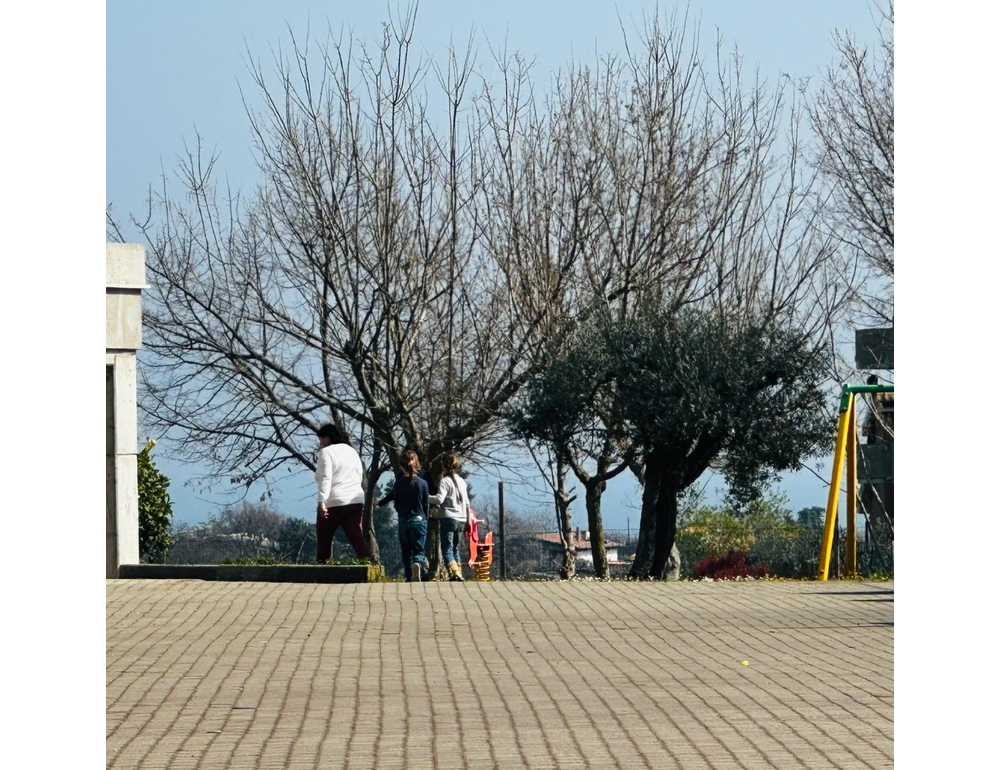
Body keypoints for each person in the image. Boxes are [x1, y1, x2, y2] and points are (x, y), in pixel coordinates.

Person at [314, 423, 372, 563]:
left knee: (324, 535)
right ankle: (368, 561)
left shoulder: (326, 452)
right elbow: (359, 474)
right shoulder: (351, 451)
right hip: (355, 500)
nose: (320, 443)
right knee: (356, 536)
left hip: (334, 501)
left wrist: (322, 501)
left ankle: (323, 564)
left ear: (327, 438)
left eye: (321, 439)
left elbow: (326, 478)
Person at [429, 451, 473, 582]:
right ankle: (458, 572)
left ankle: (455, 572)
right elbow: (467, 502)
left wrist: (425, 497)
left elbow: (439, 499)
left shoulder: (445, 481)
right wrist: (468, 520)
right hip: (461, 518)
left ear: (443, 465)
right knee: (455, 547)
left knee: (447, 548)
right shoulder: (462, 481)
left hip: (448, 518)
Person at [393, 449, 429, 582]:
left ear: (402, 466)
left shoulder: (398, 484)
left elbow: (396, 504)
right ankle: (417, 564)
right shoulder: (423, 483)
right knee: (418, 549)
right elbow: (425, 504)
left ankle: (409, 575)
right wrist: (425, 517)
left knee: (406, 550)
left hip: (404, 520)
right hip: (419, 519)